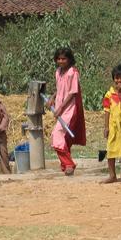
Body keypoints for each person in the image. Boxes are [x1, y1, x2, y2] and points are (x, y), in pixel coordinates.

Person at [48, 47, 86, 175]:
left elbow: (72, 93)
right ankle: (65, 165)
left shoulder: (73, 72)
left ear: (69, 59)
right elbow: (59, 88)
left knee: (57, 135)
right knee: (63, 137)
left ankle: (69, 163)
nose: (61, 61)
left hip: (69, 109)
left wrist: (61, 108)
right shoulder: (58, 72)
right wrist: (52, 98)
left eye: (63, 58)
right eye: (59, 59)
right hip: (60, 107)